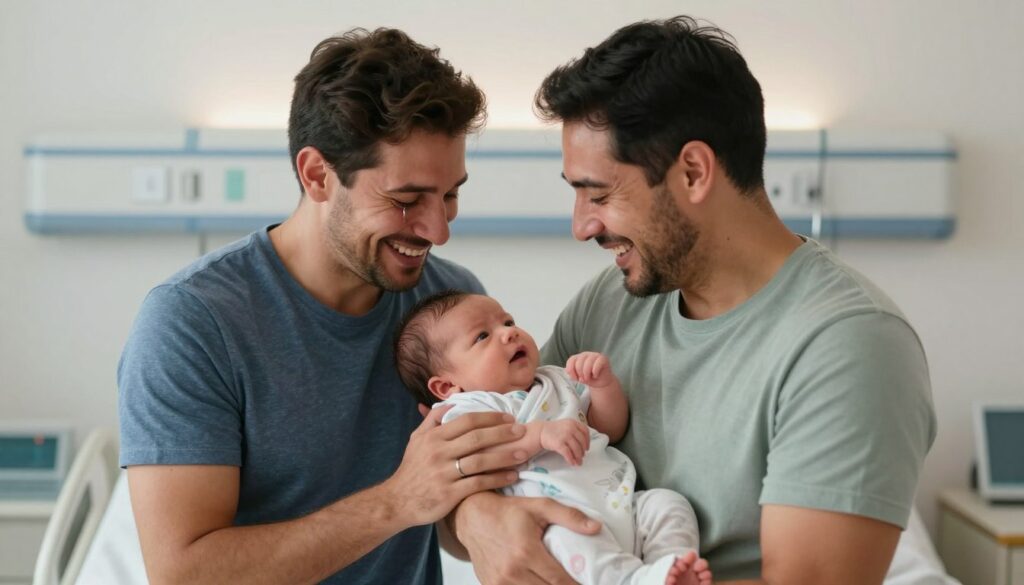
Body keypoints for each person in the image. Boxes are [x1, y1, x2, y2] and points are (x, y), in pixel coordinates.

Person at [447, 16, 937, 585]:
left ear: (694, 172)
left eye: (599, 194)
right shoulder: (611, 302)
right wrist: (476, 515)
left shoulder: (849, 346)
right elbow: (482, 469)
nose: (582, 226)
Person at [117, 28, 559, 584]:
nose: (438, 230)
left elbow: (461, 498)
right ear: (317, 175)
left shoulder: (450, 306)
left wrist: (480, 513)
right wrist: (398, 501)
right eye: (406, 201)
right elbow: (184, 573)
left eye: (450, 195)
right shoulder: (193, 324)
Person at [394, 290, 713, 585]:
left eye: (508, 321)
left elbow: (609, 428)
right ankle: (634, 580)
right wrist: (540, 434)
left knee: (667, 504)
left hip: (620, 501)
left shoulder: (555, 378)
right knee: (569, 539)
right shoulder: (465, 408)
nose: (509, 332)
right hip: (552, 521)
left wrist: (602, 387)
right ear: (446, 387)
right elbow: (478, 452)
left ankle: (667, 566)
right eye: (482, 336)